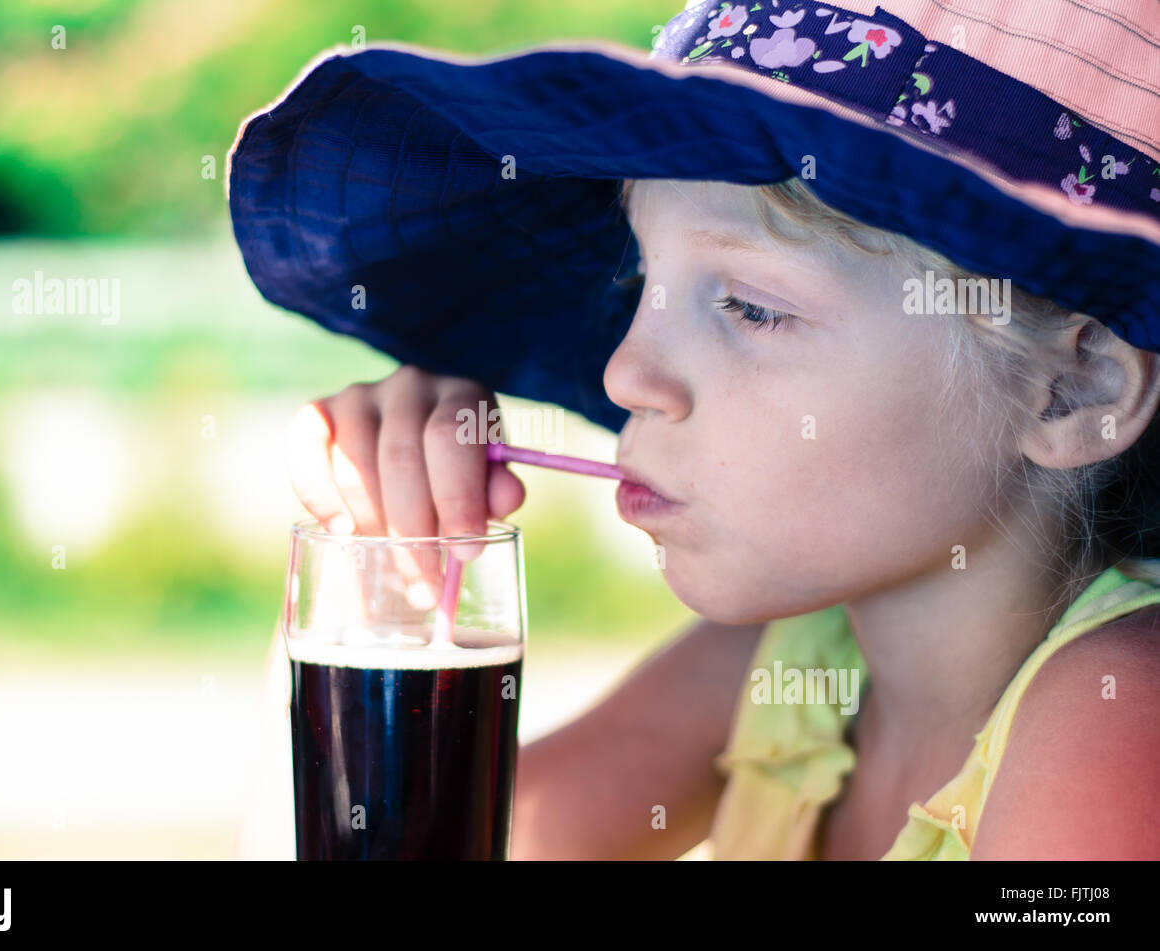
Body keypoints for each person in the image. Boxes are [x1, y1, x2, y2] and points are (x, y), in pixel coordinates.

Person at [227, 0, 1160, 859]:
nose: (623, 371)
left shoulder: (1119, 711)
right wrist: (369, 564)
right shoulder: (797, 660)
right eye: (642, 283)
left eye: (751, 308)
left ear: (1072, 391)